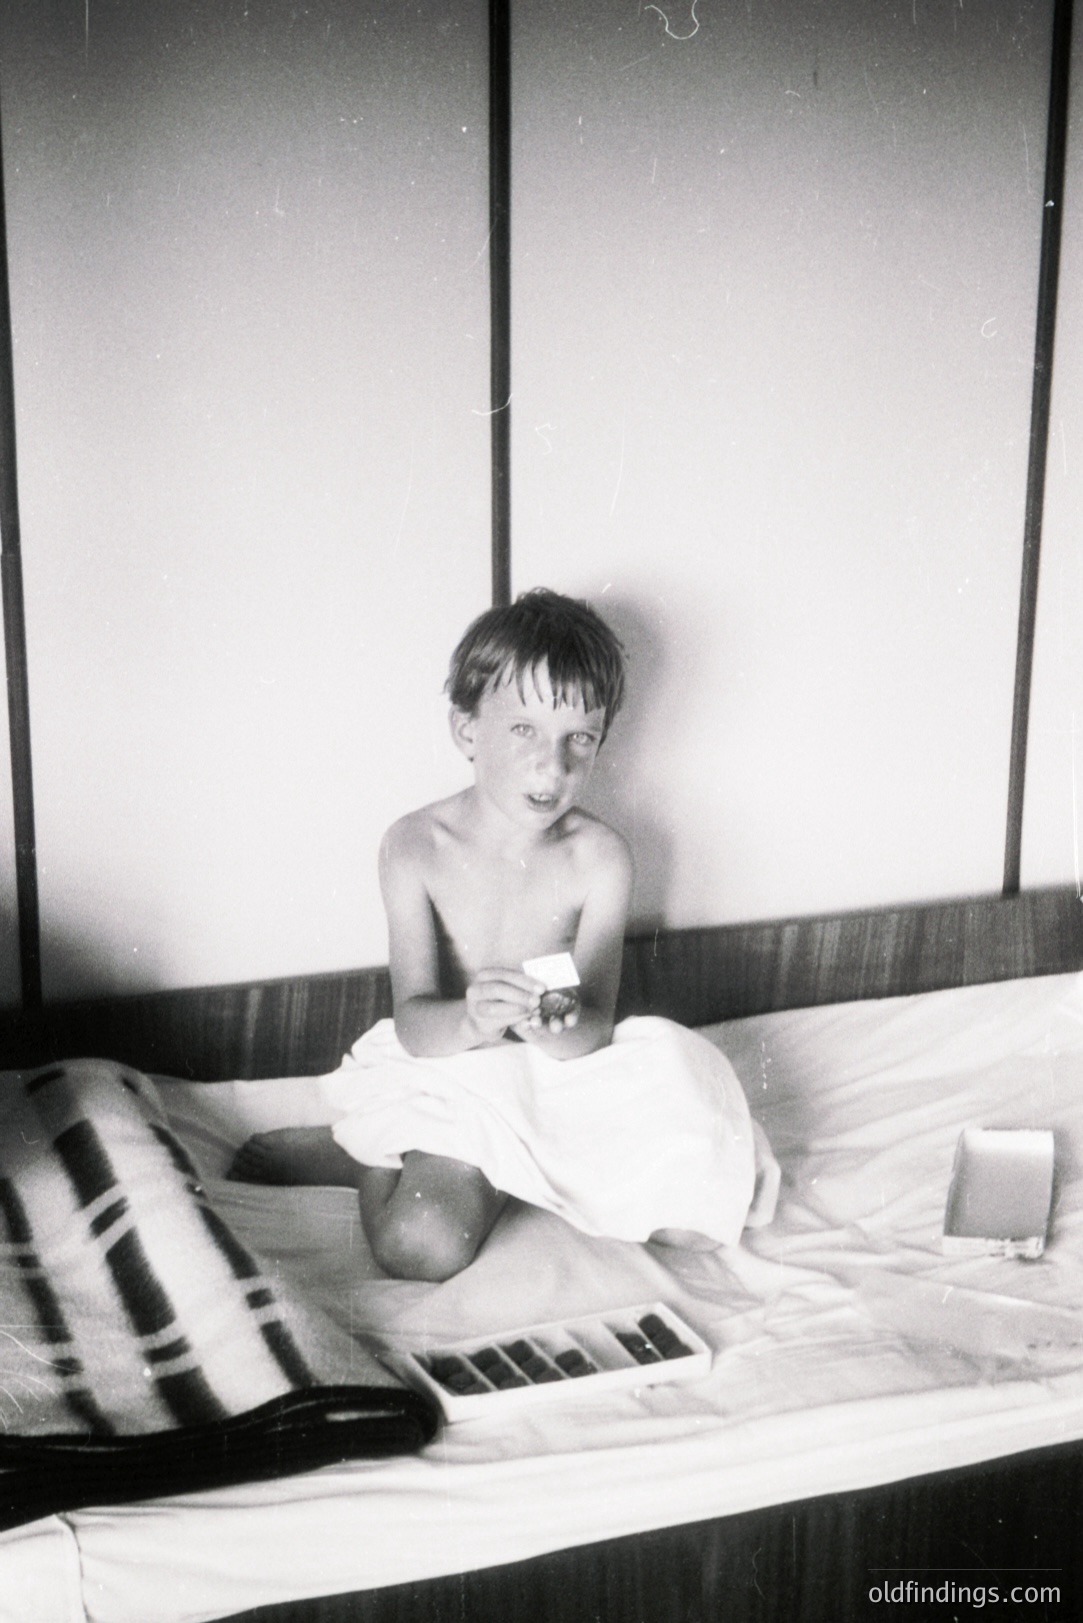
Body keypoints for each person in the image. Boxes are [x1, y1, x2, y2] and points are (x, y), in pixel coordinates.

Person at [229, 589, 776, 1279]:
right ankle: (367, 1154)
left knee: (702, 1217)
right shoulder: (414, 845)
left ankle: (514, 1171)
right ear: (466, 731)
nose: (553, 766)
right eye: (524, 730)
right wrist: (470, 1018)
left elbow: (592, 1027)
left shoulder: (601, 858)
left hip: (558, 1075)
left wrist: (549, 1025)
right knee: (421, 1245)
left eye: (579, 738)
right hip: (454, 1067)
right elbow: (414, 1023)